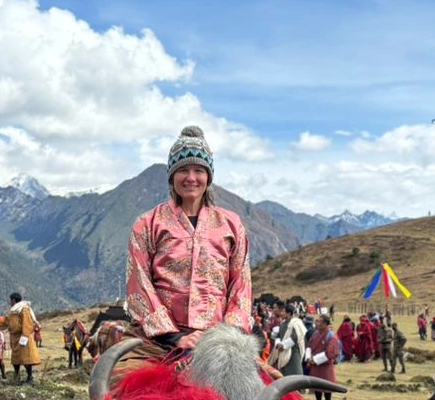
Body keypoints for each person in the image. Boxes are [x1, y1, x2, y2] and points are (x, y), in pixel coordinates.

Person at [126, 125, 251, 350]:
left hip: (219, 340)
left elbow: (240, 285)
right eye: (183, 170)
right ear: (172, 176)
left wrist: (226, 336)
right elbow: (139, 283)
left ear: (208, 177)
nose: (191, 178)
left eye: (199, 170)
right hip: (162, 340)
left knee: (265, 373)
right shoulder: (146, 224)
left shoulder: (232, 225)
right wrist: (174, 337)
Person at [0, 291, 41, 383]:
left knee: (26, 358)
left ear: (13, 300)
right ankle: (17, 376)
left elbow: (27, 324)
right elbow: (6, 321)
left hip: (23, 337)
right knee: (15, 359)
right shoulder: (13, 311)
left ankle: (30, 377)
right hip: (14, 337)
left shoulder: (24, 309)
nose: (9, 302)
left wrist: (24, 337)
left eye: (10, 300)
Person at [305, 315, 340, 400]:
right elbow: (309, 346)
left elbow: (330, 352)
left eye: (319, 321)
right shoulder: (315, 334)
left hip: (325, 365)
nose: (317, 323)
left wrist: (315, 359)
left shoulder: (330, 335)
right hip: (315, 365)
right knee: (316, 385)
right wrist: (308, 358)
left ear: (325, 324)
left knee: (326, 386)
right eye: (317, 321)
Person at [272, 304, 307, 376]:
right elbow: (279, 336)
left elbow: (296, 337)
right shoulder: (283, 324)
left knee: (295, 376)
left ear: (289, 313)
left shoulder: (296, 323)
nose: (281, 313)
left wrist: (283, 345)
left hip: (293, 354)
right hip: (282, 353)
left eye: (283, 312)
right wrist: (278, 344)